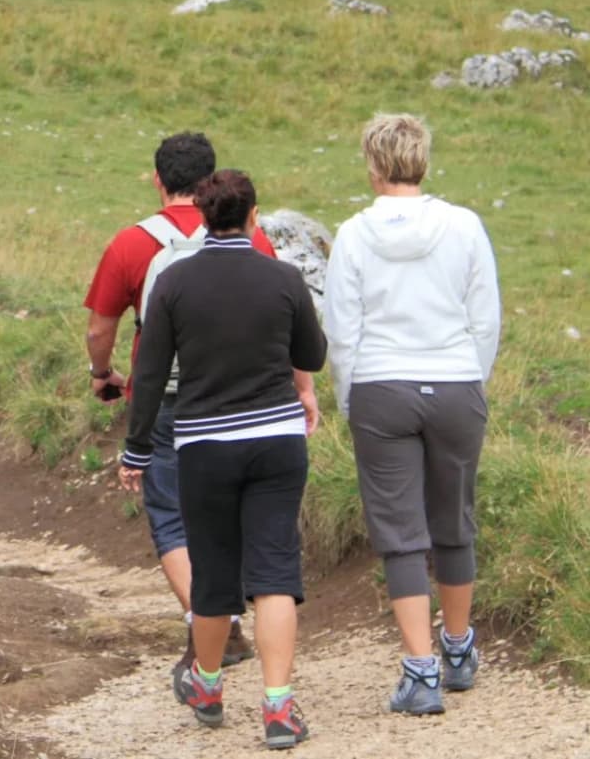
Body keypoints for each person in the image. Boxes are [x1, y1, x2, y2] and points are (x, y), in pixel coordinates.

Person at [85, 133, 319, 671]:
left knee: (172, 519)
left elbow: (101, 329)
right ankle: (268, 679)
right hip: (255, 401)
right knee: (253, 527)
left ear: (158, 181)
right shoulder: (254, 242)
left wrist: (104, 374)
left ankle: (213, 622)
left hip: (171, 403)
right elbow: (283, 320)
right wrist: (302, 388)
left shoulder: (130, 244)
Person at [122, 169, 326, 751]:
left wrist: (137, 449)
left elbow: (151, 374)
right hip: (276, 441)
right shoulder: (284, 277)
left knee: (213, 571)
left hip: (204, 445)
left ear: (206, 218)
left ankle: (208, 687)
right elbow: (311, 352)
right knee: (276, 573)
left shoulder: (176, 283)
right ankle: (279, 709)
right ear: (254, 216)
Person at [323, 114, 499, 717]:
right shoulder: (465, 226)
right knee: (454, 518)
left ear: (373, 167)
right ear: (423, 161)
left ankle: (419, 672)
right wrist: (470, 379)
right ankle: (457, 648)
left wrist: (350, 397)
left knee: (399, 531)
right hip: (455, 380)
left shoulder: (353, 233)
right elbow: (486, 318)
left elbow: (341, 330)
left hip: (380, 384)